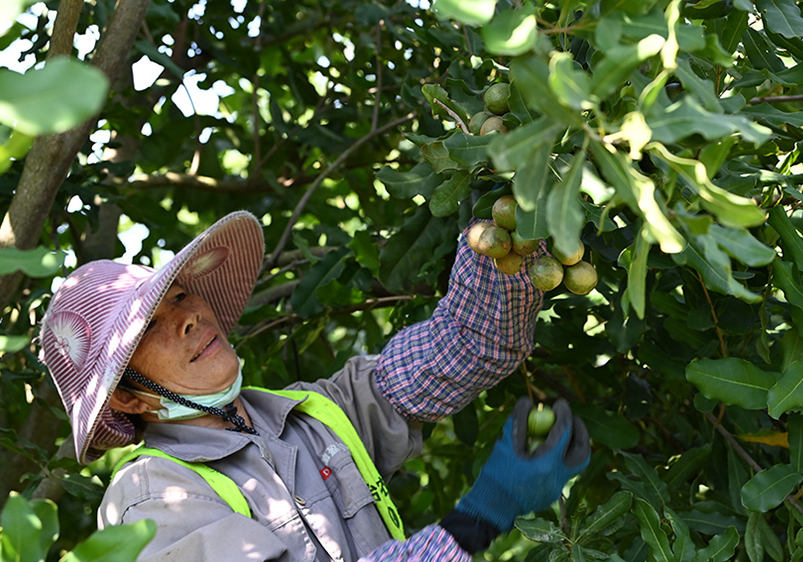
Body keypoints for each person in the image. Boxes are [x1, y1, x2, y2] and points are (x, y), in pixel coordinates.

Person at [38, 210, 590, 561]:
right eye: (148, 329)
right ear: (131, 398)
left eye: (180, 297)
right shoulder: (150, 501)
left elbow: (466, 342)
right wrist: (482, 515)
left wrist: (504, 229)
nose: (186, 319)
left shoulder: (320, 412)